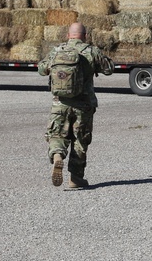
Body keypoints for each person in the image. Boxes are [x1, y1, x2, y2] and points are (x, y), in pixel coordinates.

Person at [37, 22, 114, 189]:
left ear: (68, 35)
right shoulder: (91, 51)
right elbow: (109, 69)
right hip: (84, 104)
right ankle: (75, 178)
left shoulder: (57, 50)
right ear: (85, 36)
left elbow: (41, 69)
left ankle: (58, 155)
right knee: (80, 140)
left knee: (57, 134)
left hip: (60, 102)